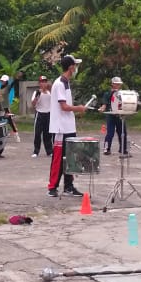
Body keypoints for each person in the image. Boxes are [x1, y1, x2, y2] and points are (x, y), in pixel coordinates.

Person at [46, 55, 88, 198]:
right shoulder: (59, 84)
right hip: (60, 128)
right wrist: (79, 108)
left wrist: (77, 110)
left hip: (69, 127)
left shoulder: (66, 82)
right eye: (75, 65)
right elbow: (63, 106)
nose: (76, 68)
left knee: (71, 158)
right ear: (70, 67)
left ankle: (69, 186)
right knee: (58, 158)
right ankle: (52, 187)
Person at [100, 76, 127, 155]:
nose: (118, 86)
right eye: (116, 84)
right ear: (113, 84)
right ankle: (106, 149)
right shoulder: (107, 93)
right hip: (111, 115)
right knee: (110, 133)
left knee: (122, 132)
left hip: (120, 115)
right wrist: (102, 108)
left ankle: (123, 149)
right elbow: (104, 104)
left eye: (119, 84)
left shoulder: (122, 94)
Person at [30, 75, 53, 158]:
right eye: (42, 82)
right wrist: (37, 97)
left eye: (45, 82)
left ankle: (49, 151)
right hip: (39, 114)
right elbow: (33, 104)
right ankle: (36, 151)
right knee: (37, 133)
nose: (43, 83)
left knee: (48, 134)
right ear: (39, 83)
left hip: (48, 114)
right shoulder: (37, 92)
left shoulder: (50, 92)